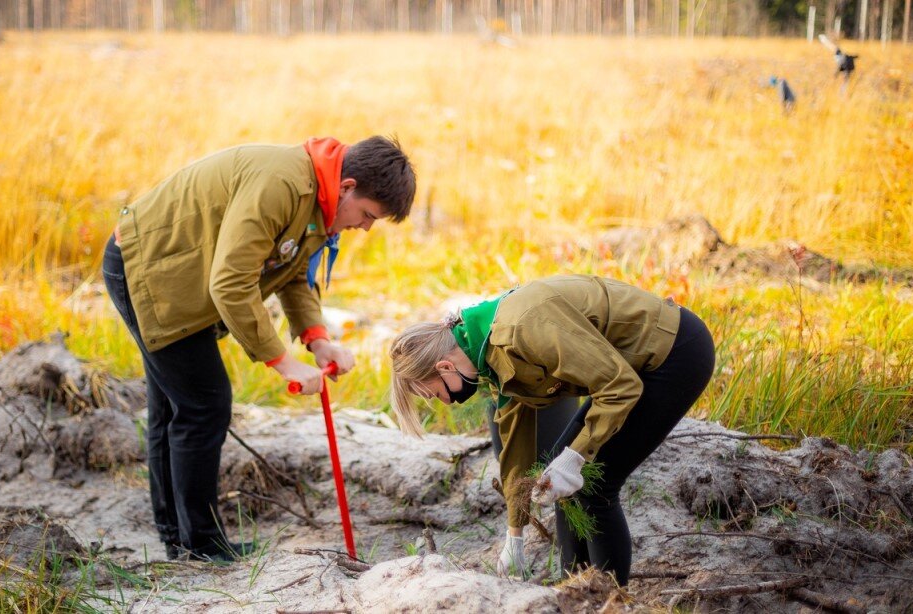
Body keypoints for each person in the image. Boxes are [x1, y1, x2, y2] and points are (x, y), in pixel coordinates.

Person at [102, 136, 416, 562]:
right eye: (367, 215)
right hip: (150, 269)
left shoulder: (318, 201)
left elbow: (289, 273)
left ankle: (180, 538)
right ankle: (198, 546)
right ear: (347, 186)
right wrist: (283, 363)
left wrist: (317, 339)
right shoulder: (282, 184)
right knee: (203, 404)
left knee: (177, 406)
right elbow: (231, 283)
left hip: (183, 277)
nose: (365, 227)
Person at [388, 275, 714, 584]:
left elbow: (619, 387)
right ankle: (572, 591)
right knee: (561, 480)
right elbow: (515, 441)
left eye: (434, 394)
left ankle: (610, 600)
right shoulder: (486, 354)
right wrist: (514, 533)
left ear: (445, 367)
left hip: (673, 354)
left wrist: (575, 457)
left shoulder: (521, 329)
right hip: (630, 371)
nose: (445, 402)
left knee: (594, 487)